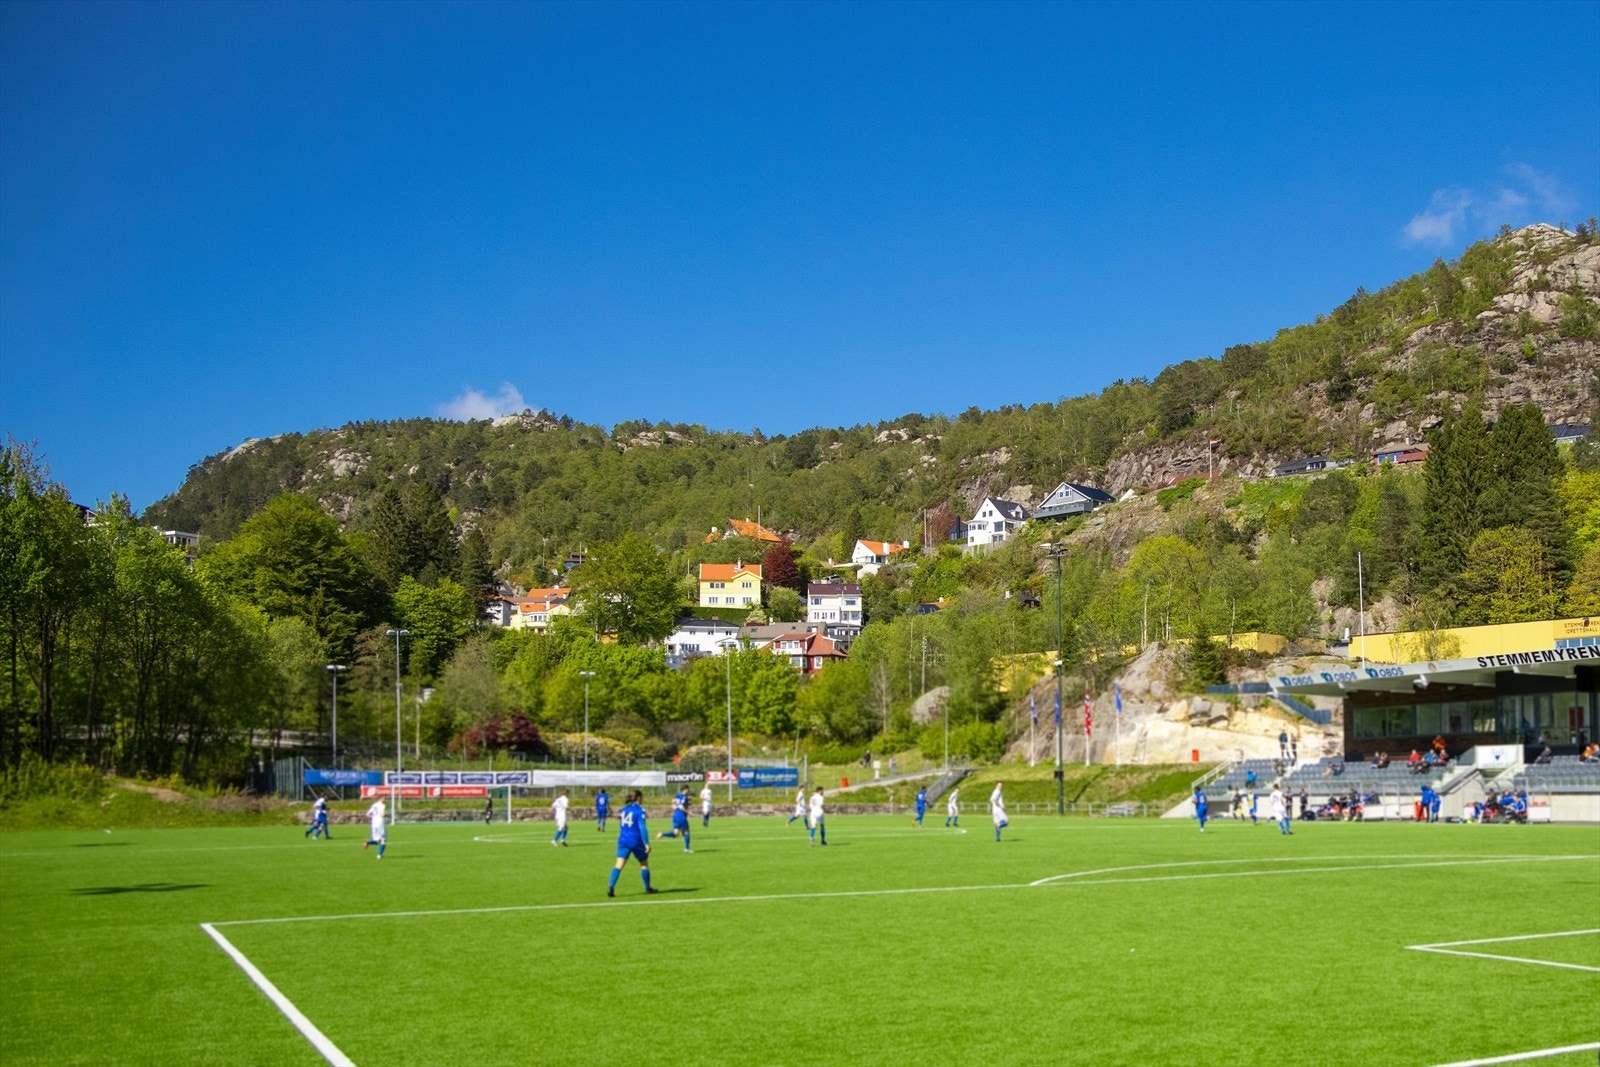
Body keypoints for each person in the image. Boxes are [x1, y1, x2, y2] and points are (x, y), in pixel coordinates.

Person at [606, 790, 658, 897]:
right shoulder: (640, 811)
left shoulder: (624, 810)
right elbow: (642, 828)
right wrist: (647, 843)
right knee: (644, 864)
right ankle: (648, 888)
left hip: (623, 840)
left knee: (618, 865)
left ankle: (611, 886)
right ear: (638, 798)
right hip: (636, 841)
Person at [656, 787, 692, 852]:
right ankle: (687, 848)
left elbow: (672, 805)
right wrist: (688, 812)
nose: (688, 792)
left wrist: (676, 809)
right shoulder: (683, 797)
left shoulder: (677, 796)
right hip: (681, 816)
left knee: (675, 833)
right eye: (688, 790)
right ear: (685, 790)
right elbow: (681, 806)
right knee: (686, 831)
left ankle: (662, 834)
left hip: (675, 815)